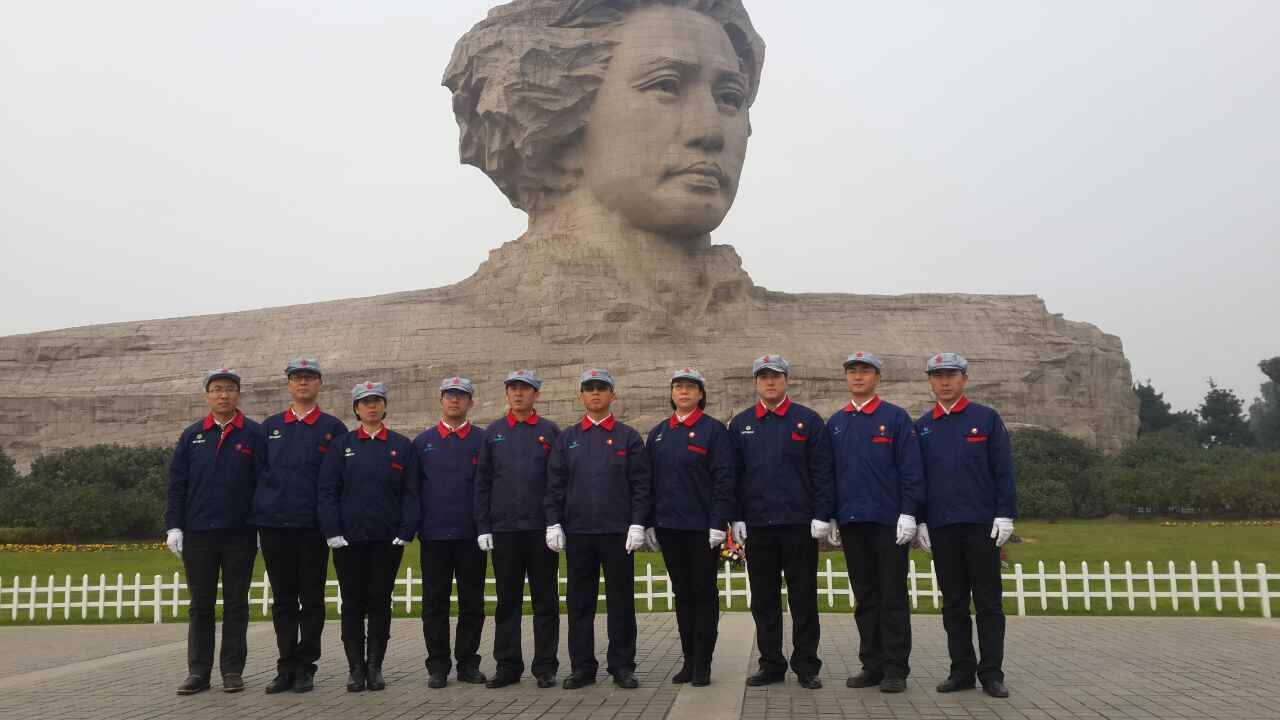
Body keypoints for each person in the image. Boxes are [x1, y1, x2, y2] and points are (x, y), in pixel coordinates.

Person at [914, 353, 1017, 698]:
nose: (944, 382)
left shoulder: (986, 418)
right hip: (942, 526)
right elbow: (917, 478)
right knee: (953, 603)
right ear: (930, 381)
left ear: (964, 379)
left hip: (981, 525)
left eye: (951, 375)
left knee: (988, 603)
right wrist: (920, 519)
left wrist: (1005, 513)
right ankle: (961, 670)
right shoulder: (923, 425)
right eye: (937, 376)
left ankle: (991, 673)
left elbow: (1003, 470)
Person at [728, 354, 833, 689]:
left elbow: (822, 472)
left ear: (787, 380)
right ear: (756, 382)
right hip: (758, 525)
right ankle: (771, 664)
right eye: (763, 377)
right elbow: (734, 476)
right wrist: (736, 516)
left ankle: (806, 665)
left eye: (775, 376)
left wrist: (822, 514)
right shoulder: (741, 423)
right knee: (764, 600)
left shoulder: (808, 420)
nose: (770, 382)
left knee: (803, 598)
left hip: (798, 524)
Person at [545, 369, 651, 690]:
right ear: (581, 396)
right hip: (579, 532)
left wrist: (638, 522)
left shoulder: (628, 437)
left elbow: (641, 484)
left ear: (612, 395)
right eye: (589, 389)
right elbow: (555, 485)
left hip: (617, 533)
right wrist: (553, 522)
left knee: (621, 602)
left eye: (601, 388)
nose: (595, 393)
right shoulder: (568, 438)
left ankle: (622, 665)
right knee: (580, 603)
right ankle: (582, 667)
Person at [825, 352, 924, 694]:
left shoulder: (895, 418)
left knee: (892, 595)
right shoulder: (837, 422)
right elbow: (829, 474)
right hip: (852, 521)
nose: (858, 376)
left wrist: (909, 512)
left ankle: (896, 668)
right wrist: (831, 514)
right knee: (865, 596)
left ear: (877, 377)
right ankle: (872, 664)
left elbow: (911, 470)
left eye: (865, 371)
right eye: (852, 371)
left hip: (888, 522)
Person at [165, 367, 263, 695]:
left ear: (238, 394)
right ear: (207, 395)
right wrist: (174, 525)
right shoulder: (192, 435)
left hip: (240, 533)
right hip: (199, 533)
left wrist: (261, 524)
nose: (224, 395)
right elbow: (177, 485)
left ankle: (232, 671)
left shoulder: (254, 434)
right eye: (217, 389)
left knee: (236, 604)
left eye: (229, 389)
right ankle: (198, 672)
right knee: (200, 605)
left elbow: (263, 483)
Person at [318, 382, 420, 692]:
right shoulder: (342, 445)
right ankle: (355, 668)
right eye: (365, 402)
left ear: (384, 406)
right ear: (356, 409)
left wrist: (406, 530)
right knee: (351, 602)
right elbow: (328, 491)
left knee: (380, 601)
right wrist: (332, 530)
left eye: (377, 401)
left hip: (386, 539)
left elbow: (411, 492)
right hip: (348, 540)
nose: (371, 407)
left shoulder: (401, 445)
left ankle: (375, 666)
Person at [252, 358, 347, 694]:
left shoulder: (333, 428)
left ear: (319, 383)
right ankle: (285, 666)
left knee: (312, 599)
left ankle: (306, 666)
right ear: (289, 384)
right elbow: (257, 475)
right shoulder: (271, 426)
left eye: (309, 377)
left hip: (312, 527)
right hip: (275, 525)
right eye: (296, 378)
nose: (302, 383)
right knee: (283, 601)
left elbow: (339, 480)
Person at [644, 367, 734, 687]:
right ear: (671, 393)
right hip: (669, 527)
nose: (683, 392)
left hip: (701, 529)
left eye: (690, 387)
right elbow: (648, 482)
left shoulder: (713, 431)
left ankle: (703, 664)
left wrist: (718, 522)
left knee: (703, 594)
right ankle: (689, 660)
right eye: (678, 387)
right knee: (682, 595)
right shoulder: (658, 434)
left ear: (700, 394)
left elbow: (723, 479)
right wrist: (649, 522)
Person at [475, 369, 562, 689]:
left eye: (525, 389)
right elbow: (483, 482)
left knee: (545, 601)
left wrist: (555, 522)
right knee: (507, 602)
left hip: (540, 530)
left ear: (536, 394)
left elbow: (557, 481)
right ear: (507, 394)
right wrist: (483, 525)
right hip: (505, 530)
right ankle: (508, 666)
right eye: (513, 388)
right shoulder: (494, 433)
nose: (518, 393)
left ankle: (545, 667)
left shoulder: (550, 431)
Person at [412, 376, 488, 689]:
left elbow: (487, 486)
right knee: (434, 605)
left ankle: (468, 663)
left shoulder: (483, 440)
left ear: (470, 402)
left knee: (472, 603)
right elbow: (414, 490)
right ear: (441, 400)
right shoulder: (423, 442)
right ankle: (438, 665)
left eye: (461, 395)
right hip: (434, 535)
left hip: (471, 536)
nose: (455, 400)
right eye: (450, 395)